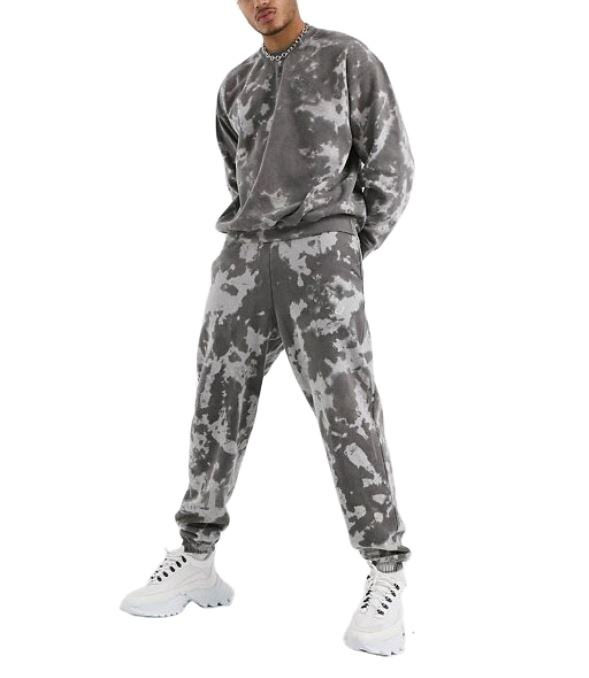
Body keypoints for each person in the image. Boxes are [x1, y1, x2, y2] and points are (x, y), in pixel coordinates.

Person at [120, 0, 414, 657]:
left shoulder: (347, 58)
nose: (261, 3)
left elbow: (391, 167)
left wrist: (345, 245)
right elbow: (239, 175)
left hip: (322, 252)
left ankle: (385, 571)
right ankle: (197, 557)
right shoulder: (235, 84)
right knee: (215, 399)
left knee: (346, 406)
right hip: (244, 257)